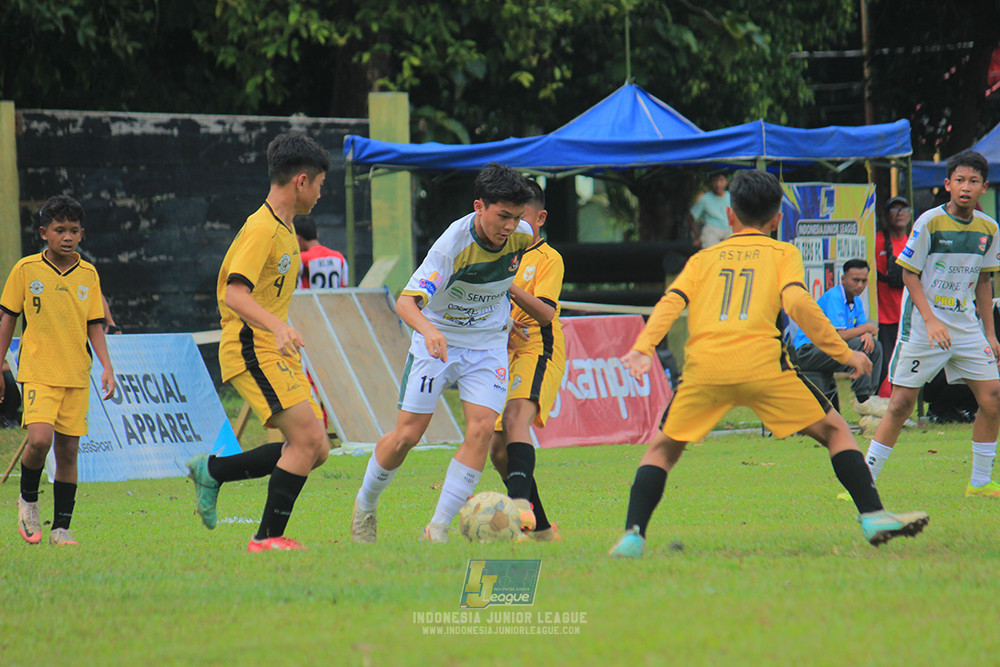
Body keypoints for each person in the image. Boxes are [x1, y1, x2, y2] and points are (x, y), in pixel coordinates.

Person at [608, 170, 928, 559]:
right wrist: (844, 353)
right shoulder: (782, 253)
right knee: (835, 431)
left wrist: (644, 346)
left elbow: (671, 302)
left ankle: (632, 536)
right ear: (777, 219)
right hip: (764, 368)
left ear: (730, 216)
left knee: (661, 450)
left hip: (706, 371)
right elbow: (796, 304)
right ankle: (873, 515)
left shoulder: (702, 259)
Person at [350, 163, 535, 544]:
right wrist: (431, 331)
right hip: (438, 342)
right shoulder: (452, 244)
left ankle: (437, 528)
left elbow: (499, 279)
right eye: (502, 216)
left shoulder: (523, 235)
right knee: (407, 435)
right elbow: (405, 303)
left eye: (516, 217)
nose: (509, 226)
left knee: (482, 429)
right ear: (479, 206)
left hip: (487, 347)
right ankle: (365, 506)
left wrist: (501, 314)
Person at [185, 133, 332, 552]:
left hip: (271, 349)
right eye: (320, 184)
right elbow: (235, 293)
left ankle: (212, 471)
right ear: (301, 181)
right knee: (305, 440)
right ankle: (267, 538)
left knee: (316, 447)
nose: (321, 194)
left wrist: (279, 331)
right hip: (250, 348)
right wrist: (278, 326)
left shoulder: (285, 229)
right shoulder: (261, 229)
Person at [863, 150, 1000, 497]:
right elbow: (909, 274)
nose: (965, 188)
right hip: (924, 325)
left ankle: (980, 483)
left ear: (984, 187)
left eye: (972, 181)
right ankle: (863, 483)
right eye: (959, 181)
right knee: (901, 405)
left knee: (993, 398)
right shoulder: (929, 221)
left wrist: (990, 334)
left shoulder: (990, 229)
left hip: (966, 326)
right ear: (947, 185)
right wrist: (930, 320)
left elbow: (984, 281)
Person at [0, 195, 116, 546]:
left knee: (67, 453)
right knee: (39, 439)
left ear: (82, 234)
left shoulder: (88, 274)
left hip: (76, 375)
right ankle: (28, 501)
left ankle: (61, 529)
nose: (68, 237)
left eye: (74, 231)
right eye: (60, 230)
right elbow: (7, 319)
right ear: (44, 233)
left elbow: (95, 324)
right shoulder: (25, 270)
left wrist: (107, 367)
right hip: (37, 372)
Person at [488, 180, 565, 542]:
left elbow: (547, 314)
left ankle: (519, 512)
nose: (514, 226)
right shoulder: (499, 252)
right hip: (501, 350)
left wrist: (509, 286)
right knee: (497, 450)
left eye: (522, 219)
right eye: (510, 218)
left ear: (540, 217)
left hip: (538, 345)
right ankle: (544, 531)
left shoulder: (548, 258)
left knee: (518, 417)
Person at [791, 258, 888, 417]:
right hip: (807, 351)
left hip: (825, 349)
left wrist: (867, 333)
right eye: (855, 280)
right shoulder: (835, 297)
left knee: (875, 346)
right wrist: (866, 329)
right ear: (843, 279)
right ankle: (862, 399)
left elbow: (862, 327)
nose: (860, 285)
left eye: (864, 281)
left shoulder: (856, 299)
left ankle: (870, 396)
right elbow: (839, 336)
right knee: (859, 345)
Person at [874, 195, 911, 392]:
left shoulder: (913, 241)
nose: (899, 214)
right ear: (886, 216)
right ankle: (883, 403)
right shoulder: (877, 240)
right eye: (894, 210)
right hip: (883, 316)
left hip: (907, 315)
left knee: (906, 366)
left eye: (903, 209)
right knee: (884, 365)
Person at [295, 214, 349, 289]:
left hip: (311, 300)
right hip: (335, 300)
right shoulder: (340, 257)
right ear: (317, 234)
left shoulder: (301, 259)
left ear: (297, 238)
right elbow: (345, 287)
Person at [690, 172, 731, 248]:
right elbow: (692, 216)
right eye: (715, 181)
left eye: (721, 180)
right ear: (710, 183)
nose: (718, 184)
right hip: (712, 230)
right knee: (711, 253)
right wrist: (697, 236)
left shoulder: (732, 197)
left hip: (729, 229)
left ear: (726, 182)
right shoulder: (705, 198)